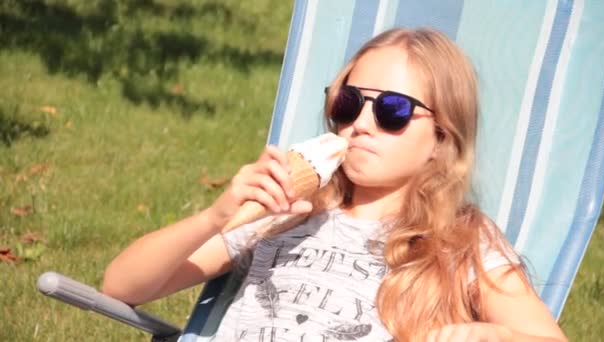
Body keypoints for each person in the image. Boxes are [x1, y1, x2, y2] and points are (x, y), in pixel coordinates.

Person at [102, 28, 568, 341]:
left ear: (440, 137)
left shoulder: (462, 241)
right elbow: (121, 287)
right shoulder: (283, 211)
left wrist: (479, 334)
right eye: (348, 103)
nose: (360, 124)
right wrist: (214, 218)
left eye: (393, 110)